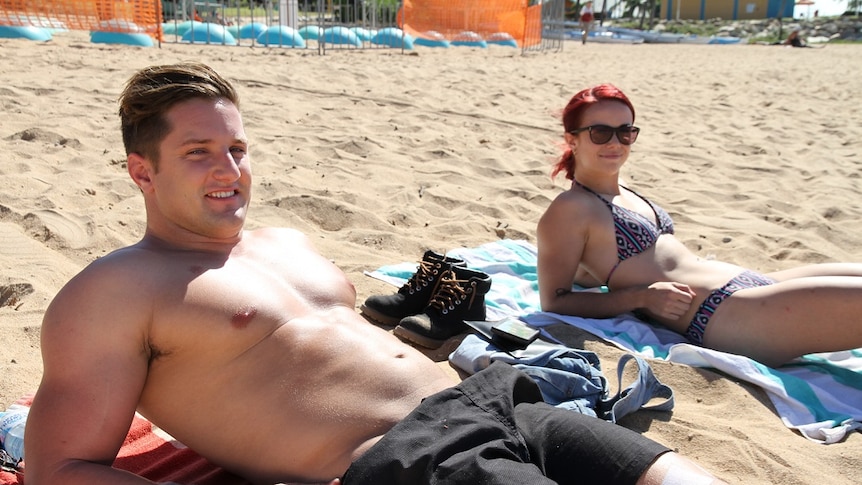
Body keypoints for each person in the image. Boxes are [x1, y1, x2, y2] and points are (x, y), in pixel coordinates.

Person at [25, 63, 727, 485]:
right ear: (140, 171)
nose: (230, 169)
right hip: (408, 457)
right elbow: (59, 467)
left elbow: (322, 356)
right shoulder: (115, 290)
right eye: (199, 151)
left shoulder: (285, 240)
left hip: (496, 401)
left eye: (237, 147)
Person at [537, 83, 862, 368]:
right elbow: (555, 300)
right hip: (726, 315)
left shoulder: (621, 193)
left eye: (625, 131)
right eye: (600, 132)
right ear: (572, 139)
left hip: (748, 287)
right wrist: (641, 298)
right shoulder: (570, 208)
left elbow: (591, 267)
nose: (616, 142)